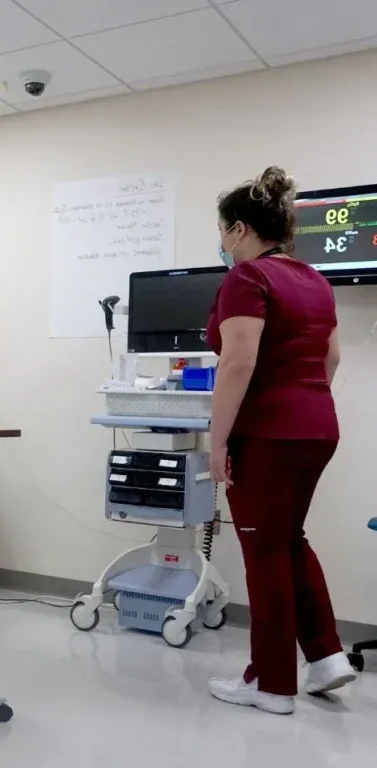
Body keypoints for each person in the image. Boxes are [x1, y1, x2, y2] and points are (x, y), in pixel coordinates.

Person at [205, 166, 355, 715]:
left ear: (241, 228)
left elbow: (238, 360)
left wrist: (217, 441)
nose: (221, 243)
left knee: (263, 552)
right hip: (317, 424)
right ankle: (326, 657)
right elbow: (331, 357)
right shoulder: (314, 278)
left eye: (223, 232)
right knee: (289, 539)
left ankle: (270, 684)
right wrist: (302, 401)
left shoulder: (246, 278)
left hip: (267, 433)